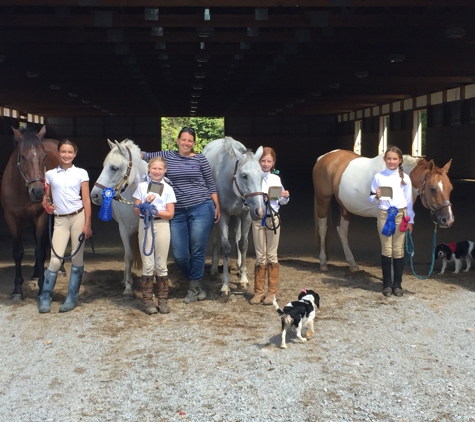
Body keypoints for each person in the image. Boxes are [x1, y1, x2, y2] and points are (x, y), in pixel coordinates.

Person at [141, 127, 220, 304]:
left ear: (194, 143)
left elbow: (210, 184)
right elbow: (143, 155)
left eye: (190, 141)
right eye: (183, 140)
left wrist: (217, 206)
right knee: (179, 254)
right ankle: (198, 282)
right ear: (177, 140)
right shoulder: (167, 155)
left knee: (197, 249)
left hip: (201, 207)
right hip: (178, 211)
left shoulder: (200, 159)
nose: (186, 143)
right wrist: (126, 151)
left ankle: (193, 287)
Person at [39, 139, 92, 313]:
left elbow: (86, 199)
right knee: (55, 258)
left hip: (78, 216)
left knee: (77, 258)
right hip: (60, 219)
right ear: (59, 153)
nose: (66, 155)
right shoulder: (50, 174)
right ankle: (45, 295)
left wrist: (88, 224)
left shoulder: (82, 173)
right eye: (63, 152)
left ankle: (72, 296)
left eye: (70, 152)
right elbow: (45, 199)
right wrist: (47, 205)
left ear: (75, 154)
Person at [369, 145, 414, 297]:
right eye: (389, 158)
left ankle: (398, 284)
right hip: (384, 215)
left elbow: (409, 202)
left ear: (400, 160)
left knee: (398, 249)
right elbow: (371, 198)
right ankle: (387, 284)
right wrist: (376, 196)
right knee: (386, 249)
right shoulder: (378, 177)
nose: (391, 161)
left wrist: (411, 220)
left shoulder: (405, 179)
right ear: (384, 160)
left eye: (395, 159)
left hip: (400, 215)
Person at [133, 157, 176, 315]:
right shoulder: (142, 187)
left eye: (160, 169)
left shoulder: (168, 189)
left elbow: (170, 213)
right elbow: (136, 210)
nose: (157, 172)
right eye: (154, 169)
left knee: (161, 262)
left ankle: (163, 300)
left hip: (161, 224)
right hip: (145, 224)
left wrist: (156, 211)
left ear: (164, 170)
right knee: (147, 262)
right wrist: (144, 203)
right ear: (149, 170)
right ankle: (148, 300)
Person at [250, 147, 290, 305]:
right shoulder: (254, 178)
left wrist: (284, 196)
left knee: (272, 255)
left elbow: (280, 200)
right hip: (258, 219)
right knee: (260, 255)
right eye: (263, 161)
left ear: (273, 163)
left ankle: (272, 292)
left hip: (273, 217)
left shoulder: (275, 179)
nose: (265, 164)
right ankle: (258, 292)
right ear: (258, 162)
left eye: (269, 161)